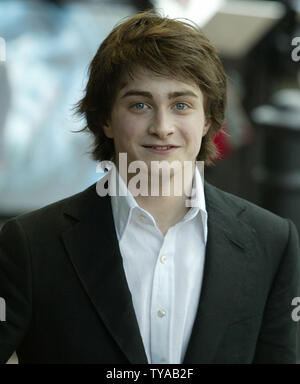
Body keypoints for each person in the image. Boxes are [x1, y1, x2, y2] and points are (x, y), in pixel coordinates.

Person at [0, 10, 299, 364]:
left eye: (181, 105)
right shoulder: (31, 244)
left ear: (208, 120)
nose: (162, 126)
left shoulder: (272, 241)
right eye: (140, 104)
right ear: (105, 119)